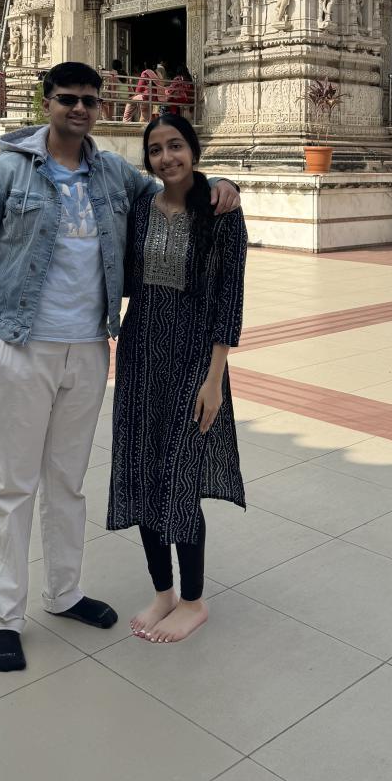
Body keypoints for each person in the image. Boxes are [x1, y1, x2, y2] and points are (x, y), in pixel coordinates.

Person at [0, 62, 239, 674]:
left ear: (100, 107)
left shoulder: (110, 173)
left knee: (67, 482)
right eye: (67, 99)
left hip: (88, 349)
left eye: (88, 100)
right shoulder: (6, 172)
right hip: (22, 347)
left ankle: (64, 592)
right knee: (14, 487)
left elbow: (173, 183)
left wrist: (223, 182)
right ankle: (5, 617)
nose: (78, 108)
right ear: (47, 103)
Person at [108, 113, 246, 643]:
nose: (167, 157)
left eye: (176, 146)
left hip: (194, 362)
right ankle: (162, 591)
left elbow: (230, 300)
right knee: (144, 473)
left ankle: (193, 600)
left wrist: (215, 380)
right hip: (141, 354)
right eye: (156, 149)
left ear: (194, 149)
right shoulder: (142, 209)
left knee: (180, 477)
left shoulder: (222, 212)